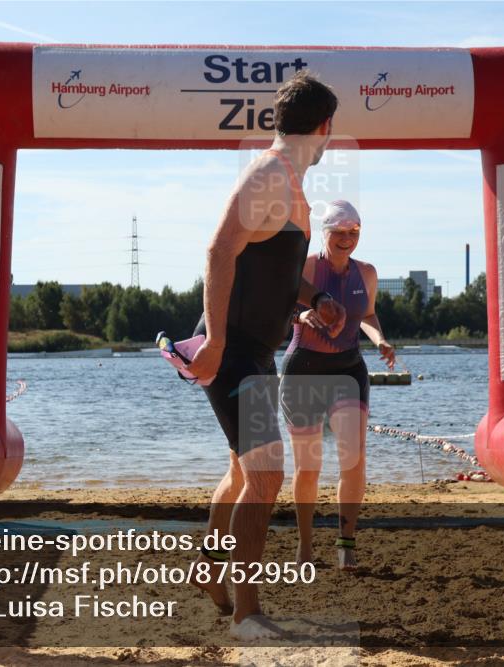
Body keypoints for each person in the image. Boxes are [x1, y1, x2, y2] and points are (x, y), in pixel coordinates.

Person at [182, 70, 343, 640]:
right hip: (235, 355)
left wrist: (316, 298)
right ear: (324, 127)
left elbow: (271, 270)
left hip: (255, 355)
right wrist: (216, 343)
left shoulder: (291, 188)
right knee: (269, 473)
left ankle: (208, 569)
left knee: (242, 469)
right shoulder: (269, 174)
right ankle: (246, 614)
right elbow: (219, 250)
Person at [278, 200, 395, 572]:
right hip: (304, 371)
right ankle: (305, 545)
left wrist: (379, 340)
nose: (346, 239)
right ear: (324, 232)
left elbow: (369, 314)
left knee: (354, 460)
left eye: (353, 233)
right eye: (339, 232)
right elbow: (279, 310)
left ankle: (346, 544)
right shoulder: (308, 268)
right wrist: (303, 314)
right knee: (308, 467)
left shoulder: (368, 273)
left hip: (348, 371)